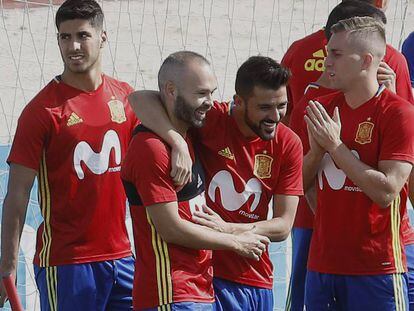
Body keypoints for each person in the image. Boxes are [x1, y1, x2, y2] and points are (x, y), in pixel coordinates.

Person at [128, 56, 303, 310]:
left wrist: (229, 229)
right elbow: (139, 99)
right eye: (265, 107)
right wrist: (176, 141)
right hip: (209, 278)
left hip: (256, 276)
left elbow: (283, 226)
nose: (275, 117)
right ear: (239, 102)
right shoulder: (209, 119)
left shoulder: (288, 144)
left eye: (282, 106)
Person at [0, 1, 138, 310]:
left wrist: (178, 144)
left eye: (82, 35)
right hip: (67, 263)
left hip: (123, 259)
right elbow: (18, 193)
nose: (73, 46)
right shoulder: (42, 111)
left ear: (103, 37)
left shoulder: (126, 97)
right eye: (64, 37)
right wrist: (7, 266)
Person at [284, 2, 414, 309]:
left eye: (336, 54)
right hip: (322, 265)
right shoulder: (315, 108)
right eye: (328, 51)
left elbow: (386, 192)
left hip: (376, 268)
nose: (326, 61)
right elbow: (297, 186)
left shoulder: (398, 113)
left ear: (366, 61)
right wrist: (315, 155)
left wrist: (335, 147)